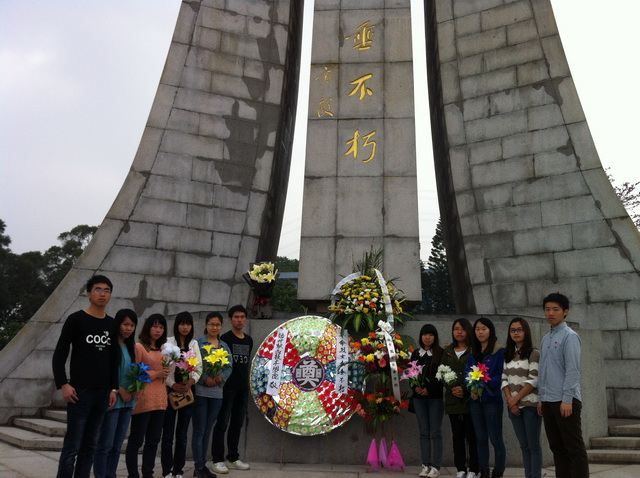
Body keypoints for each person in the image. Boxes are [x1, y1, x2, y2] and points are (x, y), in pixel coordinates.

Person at [52, 274, 120, 478]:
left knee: (90, 446)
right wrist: (63, 384)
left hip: (103, 393)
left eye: (107, 290)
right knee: (72, 445)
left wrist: (113, 388)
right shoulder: (76, 319)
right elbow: (59, 354)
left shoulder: (112, 324)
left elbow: (114, 359)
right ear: (89, 294)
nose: (102, 294)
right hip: (80, 392)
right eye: (98, 289)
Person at [537, 293, 589, 477]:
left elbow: (573, 370)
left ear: (566, 311)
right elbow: (543, 371)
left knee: (574, 448)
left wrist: (567, 399)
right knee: (557, 448)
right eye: (547, 309)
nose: (550, 313)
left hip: (565, 401)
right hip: (548, 400)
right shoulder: (545, 338)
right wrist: (541, 398)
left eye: (555, 309)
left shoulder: (570, 336)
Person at [93, 309, 139, 478]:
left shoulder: (131, 347)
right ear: (117, 324)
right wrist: (119, 390)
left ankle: (110, 474)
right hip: (113, 400)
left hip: (128, 402)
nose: (128, 328)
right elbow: (103, 372)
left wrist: (136, 388)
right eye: (125, 324)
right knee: (105, 444)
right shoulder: (109, 346)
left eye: (132, 325)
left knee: (117, 445)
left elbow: (133, 372)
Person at [125, 314, 170, 478]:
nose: (158, 330)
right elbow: (135, 372)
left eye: (161, 327)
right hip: (144, 399)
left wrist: (166, 371)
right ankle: (133, 474)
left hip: (160, 399)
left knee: (153, 441)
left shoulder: (164, 349)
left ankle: (148, 473)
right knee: (136, 440)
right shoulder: (139, 347)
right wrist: (157, 373)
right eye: (155, 326)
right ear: (148, 327)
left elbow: (165, 372)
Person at [211, 305, 253, 474]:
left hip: (242, 388)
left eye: (242, 317)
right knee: (222, 423)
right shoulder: (224, 339)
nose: (240, 320)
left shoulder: (249, 340)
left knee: (237, 423)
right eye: (236, 317)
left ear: (245, 319)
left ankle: (233, 457)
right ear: (230, 319)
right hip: (226, 388)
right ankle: (217, 459)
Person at [161, 312, 202, 478]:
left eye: (188, 324)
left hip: (187, 393)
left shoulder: (194, 344)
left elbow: (198, 367)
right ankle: (167, 470)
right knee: (168, 434)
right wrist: (173, 384)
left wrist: (191, 382)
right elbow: (163, 367)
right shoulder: (168, 342)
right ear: (177, 325)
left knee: (182, 434)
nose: (185, 327)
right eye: (182, 323)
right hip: (170, 392)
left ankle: (178, 470)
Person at [192, 312, 232, 478]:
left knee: (207, 430)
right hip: (201, 392)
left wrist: (221, 377)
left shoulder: (224, 346)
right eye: (211, 324)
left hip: (217, 393)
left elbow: (229, 366)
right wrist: (204, 379)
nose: (214, 327)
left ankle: (203, 466)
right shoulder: (198, 343)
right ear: (206, 325)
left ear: (221, 326)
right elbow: (193, 364)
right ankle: (199, 466)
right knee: (199, 431)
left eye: (217, 325)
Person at [465, 317, 506, 478]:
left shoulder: (499, 351)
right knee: (480, 438)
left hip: (492, 400)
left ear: (490, 330)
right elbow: (467, 373)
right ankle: (484, 470)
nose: (480, 332)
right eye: (477, 329)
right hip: (475, 401)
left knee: (495, 438)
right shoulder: (472, 353)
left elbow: (501, 375)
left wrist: (483, 382)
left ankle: (498, 470)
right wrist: (471, 388)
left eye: (484, 329)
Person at [501, 318, 542, 478]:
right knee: (524, 446)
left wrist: (515, 398)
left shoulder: (533, 353)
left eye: (519, 330)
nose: (516, 333)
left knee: (533, 446)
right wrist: (511, 402)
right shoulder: (507, 354)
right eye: (513, 330)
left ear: (526, 332)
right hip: (513, 407)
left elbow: (533, 380)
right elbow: (504, 379)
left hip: (530, 406)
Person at [441, 318, 479, 478]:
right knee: (457, 436)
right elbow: (442, 371)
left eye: (462, 329)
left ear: (468, 331)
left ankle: (474, 469)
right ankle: (461, 468)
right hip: (453, 400)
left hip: (470, 399)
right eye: (456, 329)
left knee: (472, 436)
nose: (459, 332)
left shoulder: (474, 350)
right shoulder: (448, 351)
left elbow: (477, 372)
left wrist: (464, 388)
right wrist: (453, 388)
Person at [411, 324, 445, 478]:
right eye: (425, 334)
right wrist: (415, 388)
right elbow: (411, 373)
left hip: (435, 398)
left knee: (435, 432)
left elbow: (442, 375)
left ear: (435, 337)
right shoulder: (416, 354)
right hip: (419, 399)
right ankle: (425, 465)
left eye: (430, 334)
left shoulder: (440, 353)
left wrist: (429, 389)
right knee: (423, 432)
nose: (427, 337)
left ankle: (436, 466)